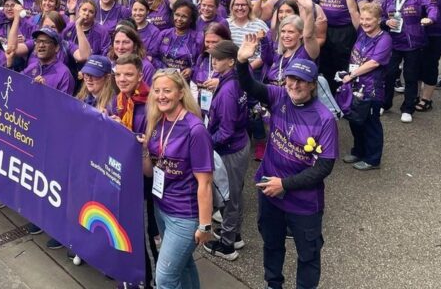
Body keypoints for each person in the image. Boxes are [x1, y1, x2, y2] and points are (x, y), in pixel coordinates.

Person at [236, 38, 338, 289]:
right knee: (271, 244)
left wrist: (285, 184)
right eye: (290, 78)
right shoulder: (279, 95)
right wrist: (241, 61)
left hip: (303, 202)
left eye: (301, 81)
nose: (294, 85)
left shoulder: (325, 119)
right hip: (269, 191)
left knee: (309, 254)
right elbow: (249, 85)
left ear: (313, 85)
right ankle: (273, 283)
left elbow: (323, 167)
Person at [140, 69, 214, 289]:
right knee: (184, 266)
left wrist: (205, 226)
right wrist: (144, 150)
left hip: (185, 215)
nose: (161, 96)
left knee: (164, 279)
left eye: (167, 91)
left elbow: (205, 183)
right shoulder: (157, 121)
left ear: (181, 92)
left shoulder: (195, 130)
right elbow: (150, 172)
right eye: (157, 90)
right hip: (161, 208)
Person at [201, 40, 250, 262]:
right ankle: (235, 234)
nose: (214, 61)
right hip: (239, 144)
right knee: (235, 191)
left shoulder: (229, 90)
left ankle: (228, 245)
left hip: (230, 149)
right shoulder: (234, 77)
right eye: (213, 57)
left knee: (230, 196)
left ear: (231, 61)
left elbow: (226, 131)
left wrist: (206, 143)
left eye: (219, 59)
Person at [381, 0, 439, 122]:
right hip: (393, 42)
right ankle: (385, 103)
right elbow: (379, 15)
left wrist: (430, 18)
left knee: (411, 76)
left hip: (413, 43)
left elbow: (432, 8)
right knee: (389, 74)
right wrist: (386, 21)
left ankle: (407, 108)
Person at [340, 2, 392, 170]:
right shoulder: (362, 32)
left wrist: (352, 75)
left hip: (372, 90)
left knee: (371, 124)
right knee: (355, 120)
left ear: (378, 20)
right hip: (355, 87)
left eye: (369, 19)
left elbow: (374, 62)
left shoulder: (384, 39)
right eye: (362, 19)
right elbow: (352, 10)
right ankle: (358, 151)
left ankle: (372, 159)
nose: (364, 22)